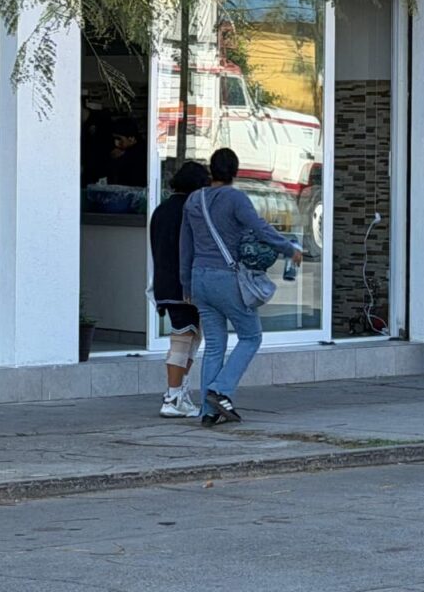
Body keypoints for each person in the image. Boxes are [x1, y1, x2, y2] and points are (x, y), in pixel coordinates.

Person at [180, 148, 302, 426]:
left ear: (212, 170)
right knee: (251, 336)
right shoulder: (235, 198)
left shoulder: (193, 200)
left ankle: (208, 412)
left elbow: (184, 245)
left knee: (213, 346)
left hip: (199, 278)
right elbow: (259, 228)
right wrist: (287, 249)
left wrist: (186, 282)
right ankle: (220, 390)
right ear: (235, 171)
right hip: (227, 278)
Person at [150, 161, 211, 418]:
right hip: (185, 285)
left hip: (164, 283)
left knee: (187, 337)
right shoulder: (190, 210)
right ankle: (173, 396)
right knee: (184, 339)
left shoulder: (161, 209)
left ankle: (178, 393)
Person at [106, 117, 146, 187]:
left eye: (119, 139)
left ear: (131, 138)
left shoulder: (140, 154)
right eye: (114, 139)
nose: (116, 142)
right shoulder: (123, 151)